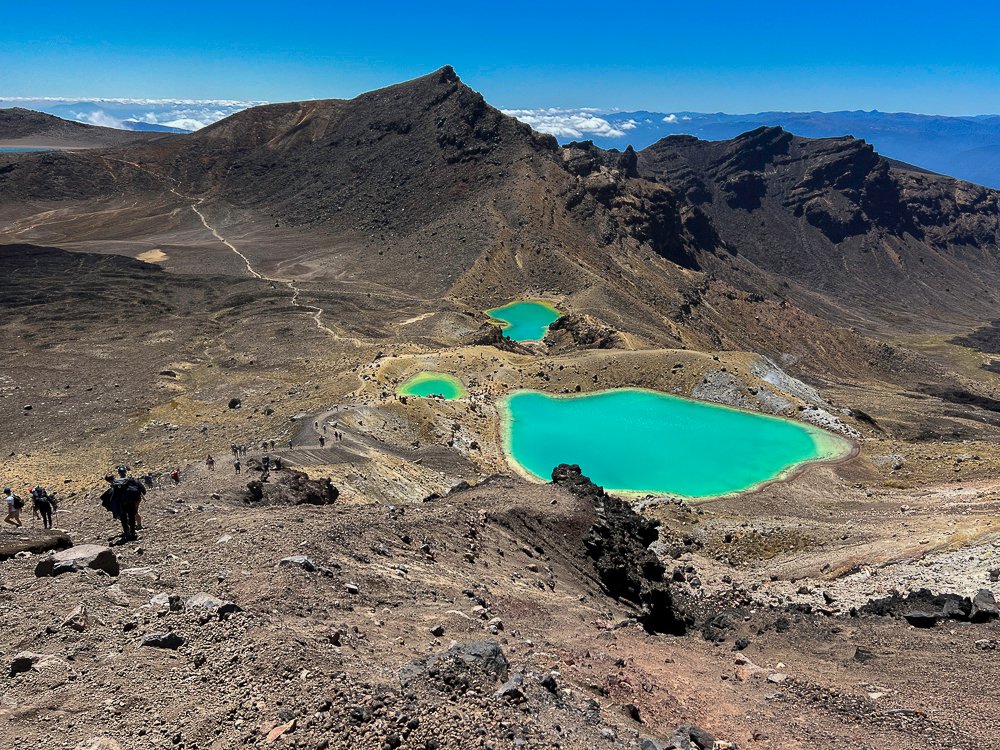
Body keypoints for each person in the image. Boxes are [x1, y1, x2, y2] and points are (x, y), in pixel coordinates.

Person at [106, 465, 145, 541]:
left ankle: (127, 532)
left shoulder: (116, 482)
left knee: (123, 518)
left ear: (118, 473)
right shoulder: (130, 479)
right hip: (132, 501)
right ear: (125, 472)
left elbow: (113, 496)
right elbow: (141, 489)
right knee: (133, 515)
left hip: (121, 503)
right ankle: (134, 530)